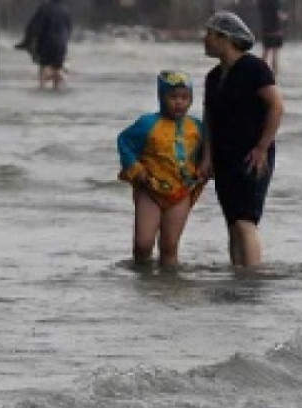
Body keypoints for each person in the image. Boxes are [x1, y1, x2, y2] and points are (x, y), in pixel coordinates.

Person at [199, 11, 285, 268]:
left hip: (251, 155)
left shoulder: (254, 68)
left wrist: (261, 147)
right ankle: (238, 275)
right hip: (224, 157)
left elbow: (276, 106)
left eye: (210, 35)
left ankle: (252, 279)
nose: (205, 40)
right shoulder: (213, 77)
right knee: (232, 223)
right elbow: (209, 119)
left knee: (245, 220)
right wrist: (207, 156)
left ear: (226, 39)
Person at [116, 71, 206, 269]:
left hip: (181, 192)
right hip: (150, 190)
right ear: (161, 97)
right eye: (173, 97)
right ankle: (141, 279)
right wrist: (136, 170)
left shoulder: (197, 127)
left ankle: (168, 286)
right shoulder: (148, 123)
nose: (179, 103)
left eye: (185, 98)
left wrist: (204, 170)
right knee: (142, 244)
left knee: (169, 245)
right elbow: (124, 141)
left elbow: (209, 149)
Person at [18, 0, 73, 90]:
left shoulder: (44, 8)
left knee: (44, 68)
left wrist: (26, 42)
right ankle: (58, 80)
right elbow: (69, 29)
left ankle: (43, 86)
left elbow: (33, 27)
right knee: (57, 67)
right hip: (61, 45)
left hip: (47, 44)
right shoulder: (66, 10)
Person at [257, 0, 287, 74]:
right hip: (275, 30)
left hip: (265, 29)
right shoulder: (275, 1)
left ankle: (259, 73)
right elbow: (278, 14)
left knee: (265, 53)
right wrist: (285, 16)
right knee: (275, 55)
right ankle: (274, 76)